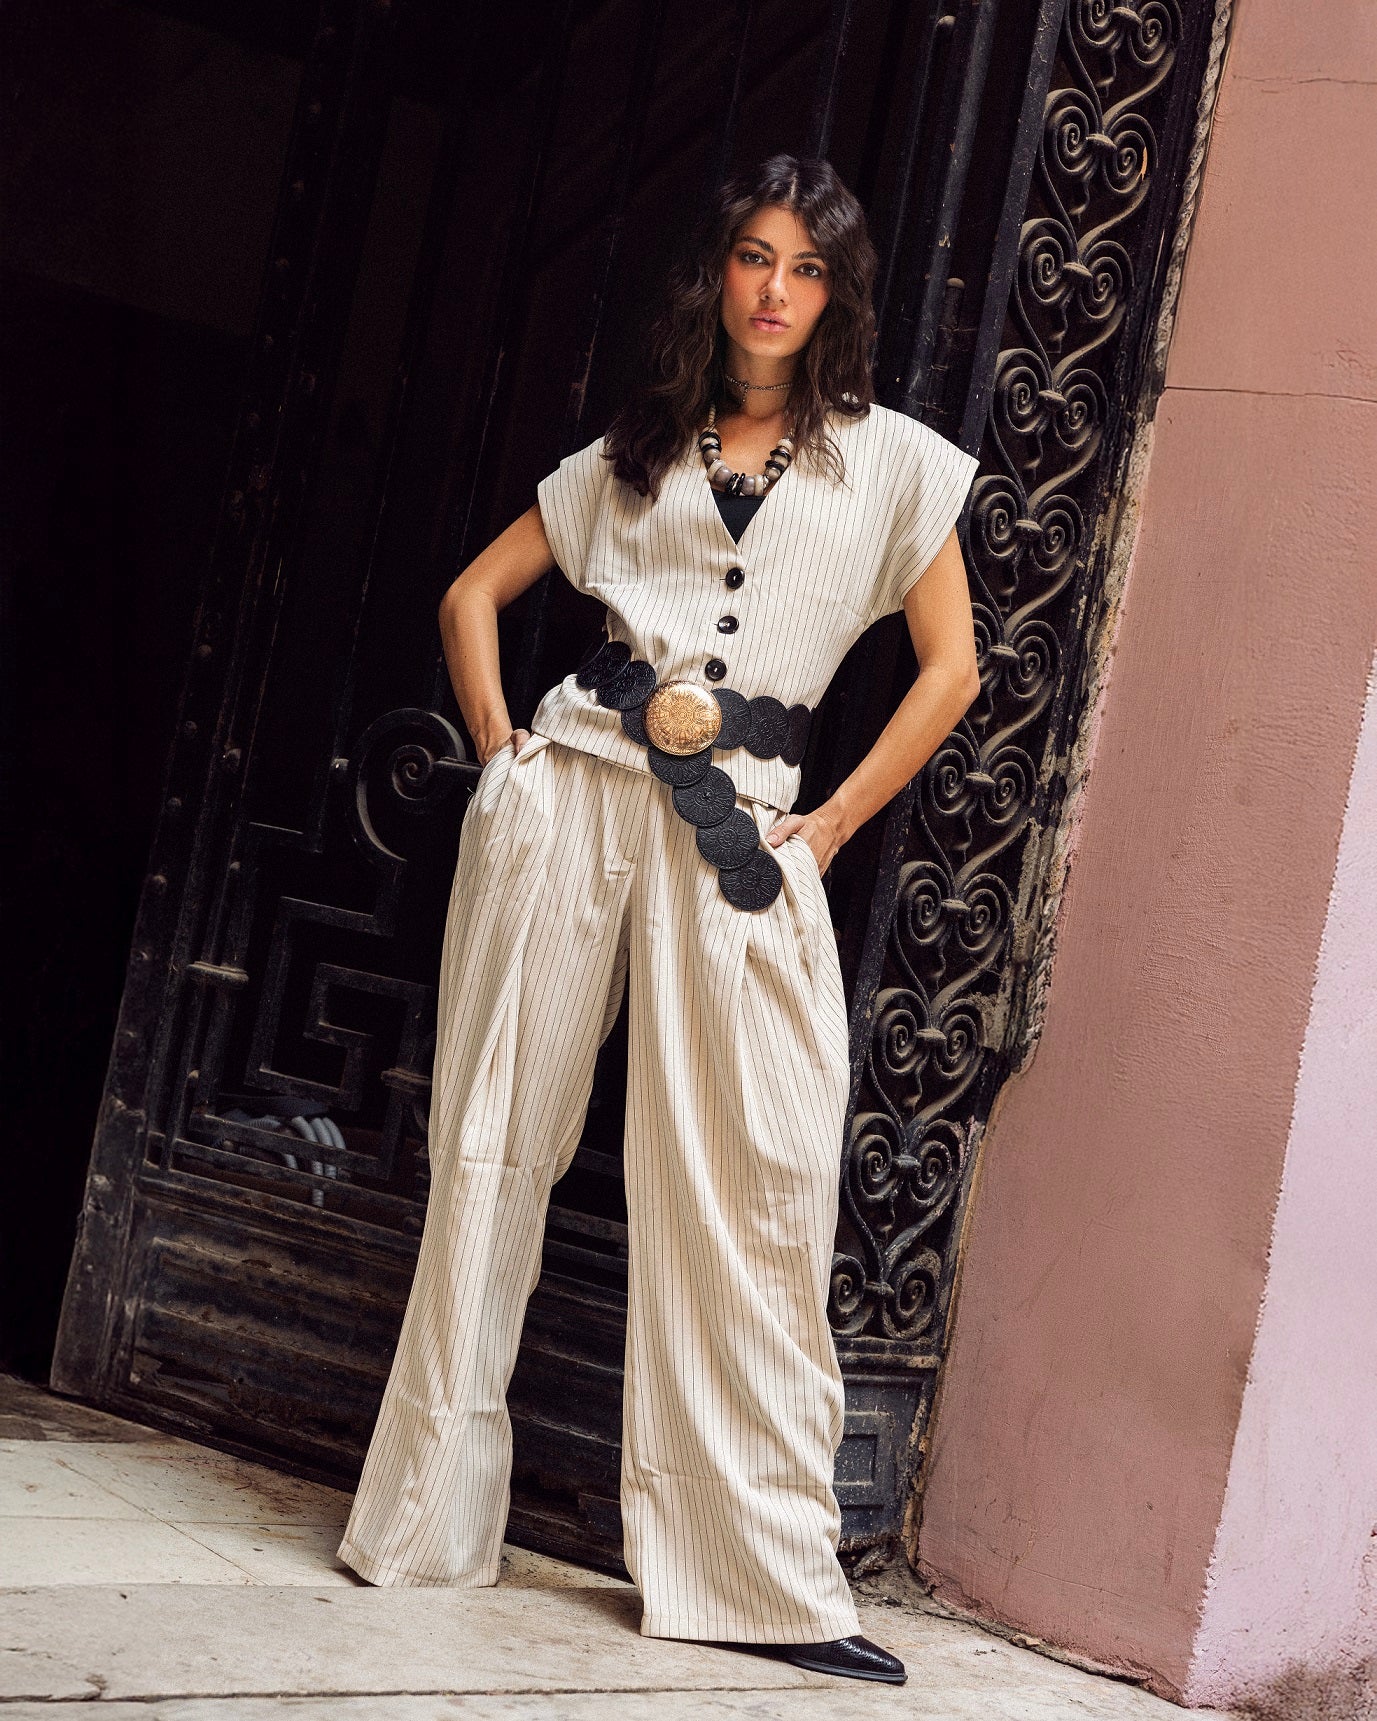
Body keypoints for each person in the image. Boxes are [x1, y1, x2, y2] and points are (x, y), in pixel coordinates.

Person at [338, 153, 981, 1687]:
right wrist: (502, 752)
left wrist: (827, 823)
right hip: (570, 791)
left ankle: (758, 1572)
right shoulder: (630, 451)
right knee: (492, 1137)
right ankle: (423, 1516)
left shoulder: (894, 464)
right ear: (719, 275)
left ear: (838, 295)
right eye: (753, 257)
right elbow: (468, 594)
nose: (773, 288)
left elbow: (951, 670)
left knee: (752, 1174)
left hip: (743, 836)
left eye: (805, 267)